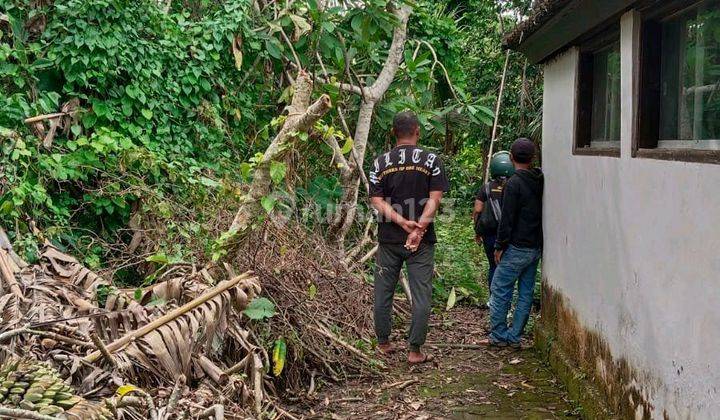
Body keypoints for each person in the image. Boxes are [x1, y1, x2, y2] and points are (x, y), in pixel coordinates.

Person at [369, 111, 449, 365]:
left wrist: (402, 222)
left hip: (389, 239)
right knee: (421, 294)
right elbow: (435, 199)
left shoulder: (380, 163)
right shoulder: (432, 160)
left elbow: (376, 201)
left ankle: (383, 343)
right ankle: (415, 350)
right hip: (422, 242)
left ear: (393, 132)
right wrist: (418, 229)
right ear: (417, 131)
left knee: (383, 292)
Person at [483, 138, 543, 348]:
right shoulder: (539, 179)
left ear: (511, 157)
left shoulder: (513, 184)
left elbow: (506, 219)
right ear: (533, 158)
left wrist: (499, 246)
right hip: (535, 246)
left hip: (517, 246)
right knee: (525, 291)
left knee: (500, 288)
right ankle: (515, 335)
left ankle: (499, 335)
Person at [472, 151, 514, 297]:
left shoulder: (486, 188)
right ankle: (505, 300)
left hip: (489, 233)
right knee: (507, 268)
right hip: (509, 234)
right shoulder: (513, 186)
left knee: (493, 266)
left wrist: (477, 231)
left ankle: (493, 299)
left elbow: (477, 210)